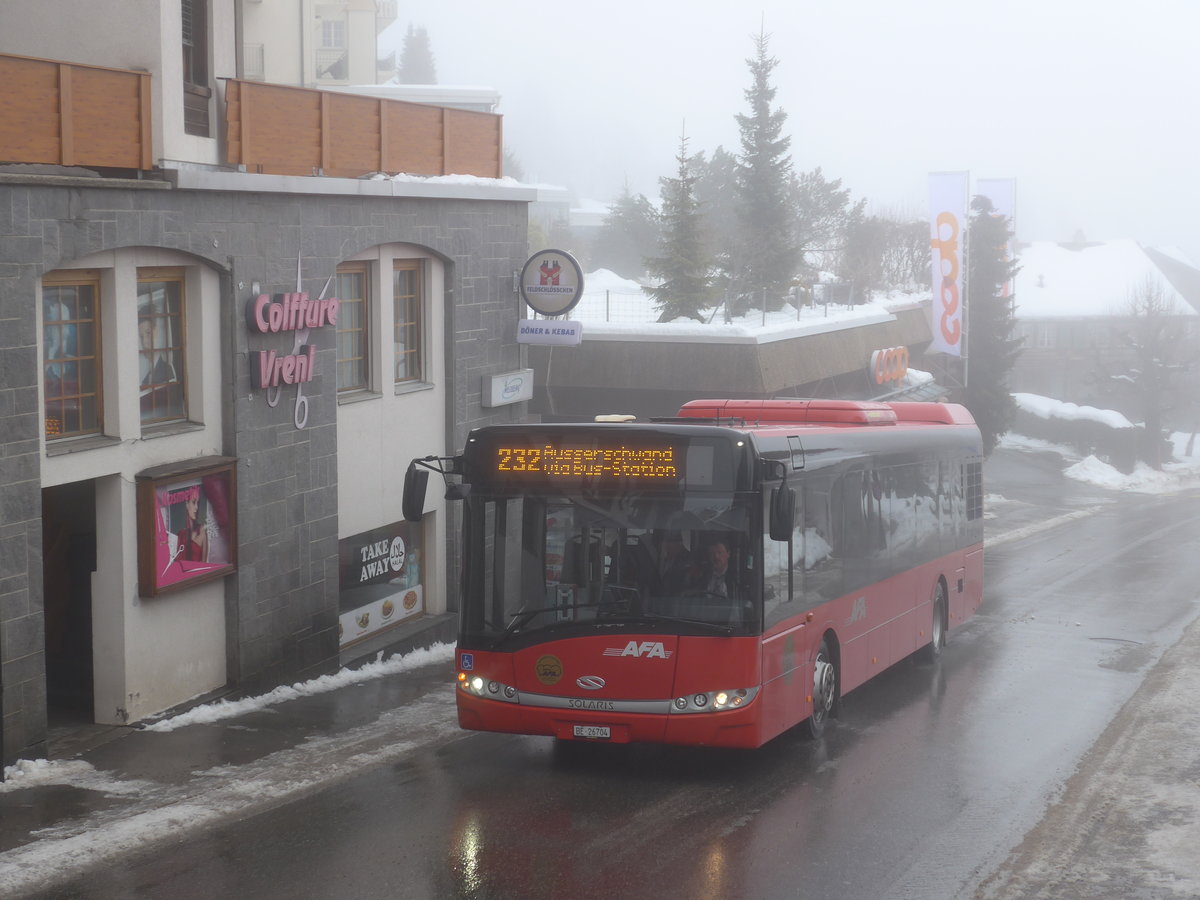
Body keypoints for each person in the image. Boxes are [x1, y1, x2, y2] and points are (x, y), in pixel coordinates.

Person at [177, 492, 209, 563]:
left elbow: (204, 565)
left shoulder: (202, 531)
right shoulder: (180, 534)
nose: (196, 507)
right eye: (194, 502)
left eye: (198, 503)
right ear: (187, 504)